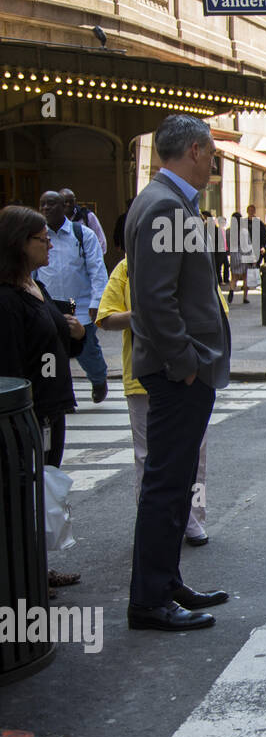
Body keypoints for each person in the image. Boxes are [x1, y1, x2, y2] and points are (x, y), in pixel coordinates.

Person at [123, 114, 230, 631]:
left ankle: (165, 582)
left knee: (176, 479)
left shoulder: (164, 200)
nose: (213, 162)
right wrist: (186, 363)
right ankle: (150, 599)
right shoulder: (166, 205)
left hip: (179, 368)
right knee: (168, 485)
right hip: (178, 372)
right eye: (211, 153)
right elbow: (154, 300)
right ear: (194, 150)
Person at [96, 254, 218, 546]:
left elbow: (215, 313)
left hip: (190, 374)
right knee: (147, 456)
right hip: (143, 379)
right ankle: (152, 523)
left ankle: (192, 519)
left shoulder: (193, 263)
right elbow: (105, 317)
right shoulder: (127, 266)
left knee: (195, 454)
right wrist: (143, 315)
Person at [0, 205, 88, 593]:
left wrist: (76, 333)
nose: (50, 244)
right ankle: (24, 574)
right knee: (24, 491)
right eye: (42, 239)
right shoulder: (7, 298)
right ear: (19, 244)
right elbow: (12, 365)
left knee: (43, 486)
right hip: (31, 412)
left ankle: (38, 564)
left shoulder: (35, 285)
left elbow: (57, 340)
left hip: (52, 407)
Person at [35, 189, 109, 403]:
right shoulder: (38, 236)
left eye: (51, 204)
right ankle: (55, 392)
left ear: (64, 208)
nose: (46, 209)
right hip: (49, 305)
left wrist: (97, 302)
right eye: (42, 205)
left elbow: (97, 270)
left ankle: (98, 379)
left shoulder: (83, 234)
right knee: (50, 352)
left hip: (79, 305)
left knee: (87, 350)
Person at [59, 189, 109, 261]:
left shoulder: (87, 216)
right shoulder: (55, 219)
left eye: (71, 201)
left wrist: (95, 260)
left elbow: (101, 241)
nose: (68, 204)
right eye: (65, 201)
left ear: (75, 201)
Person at [224, 211, 253, 304]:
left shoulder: (228, 231)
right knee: (245, 277)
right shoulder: (244, 231)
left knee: (234, 277)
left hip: (234, 255)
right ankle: (245, 297)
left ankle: (232, 290)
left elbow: (227, 244)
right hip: (244, 255)